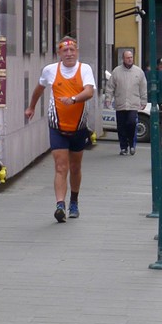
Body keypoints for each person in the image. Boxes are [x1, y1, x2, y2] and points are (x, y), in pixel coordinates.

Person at [25, 36, 96, 223]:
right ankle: (59, 205)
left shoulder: (84, 69)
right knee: (60, 166)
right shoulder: (50, 70)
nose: (69, 53)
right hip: (57, 126)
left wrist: (73, 99)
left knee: (75, 166)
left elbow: (89, 91)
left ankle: (74, 201)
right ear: (59, 54)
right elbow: (38, 89)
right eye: (65, 50)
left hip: (79, 127)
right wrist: (31, 106)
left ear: (77, 52)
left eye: (72, 50)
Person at [105, 50, 147, 156]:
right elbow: (110, 87)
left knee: (132, 123)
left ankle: (132, 145)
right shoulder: (116, 71)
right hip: (120, 103)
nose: (130, 59)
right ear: (123, 59)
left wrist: (144, 100)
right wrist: (108, 99)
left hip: (133, 103)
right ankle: (123, 147)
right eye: (127, 57)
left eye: (131, 57)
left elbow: (143, 87)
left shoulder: (138, 72)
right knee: (121, 126)